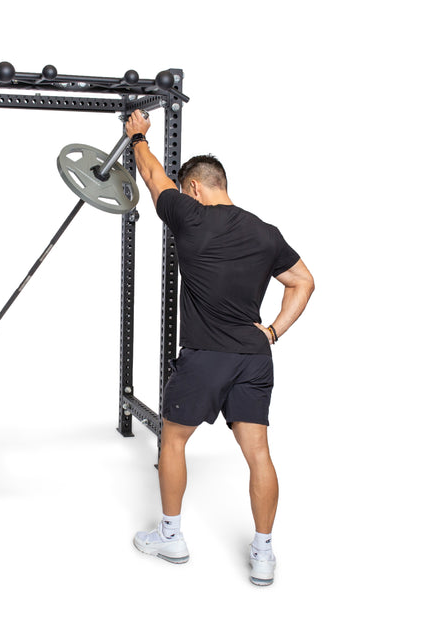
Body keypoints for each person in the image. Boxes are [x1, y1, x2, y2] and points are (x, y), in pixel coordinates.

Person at [125, 109, 315, 586]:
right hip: (254, 357)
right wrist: (271, 331)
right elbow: (304, 283)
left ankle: (170, 537)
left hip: (205, 357)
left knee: (172, 439)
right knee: (258, 454)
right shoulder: (265, 232)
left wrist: (139, 137)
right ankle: (264, 554)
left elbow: (151, 174)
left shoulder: (188, 215)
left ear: (193, 188)